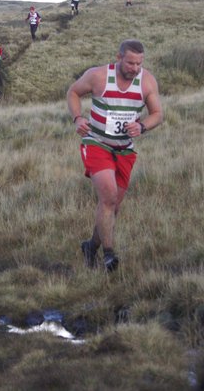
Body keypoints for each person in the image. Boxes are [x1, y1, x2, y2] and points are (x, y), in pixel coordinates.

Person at [66, 39, 163, 272]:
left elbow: (158, 114)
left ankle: (91, 246)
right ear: (119, 58)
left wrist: (142, 126)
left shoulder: (147, 81)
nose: (135, 68)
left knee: (112, 206)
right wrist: (78, 118)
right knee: (108, 197)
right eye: (130, 63)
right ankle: (109, 255)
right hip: (97, 143)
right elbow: (73, 92)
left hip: (124, 150)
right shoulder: (98, 76)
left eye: (139, 63)